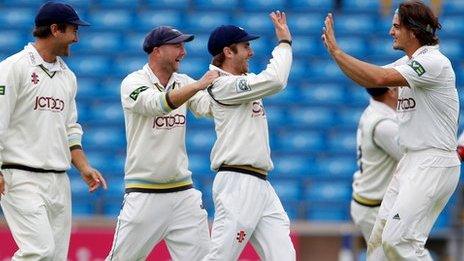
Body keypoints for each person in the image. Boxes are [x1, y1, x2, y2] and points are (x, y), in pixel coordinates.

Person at [322, 1, 460, 259]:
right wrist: (336, 54)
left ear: (414, 30)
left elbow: (378, 79)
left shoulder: (433, 63)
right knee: (379, 245)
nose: (390, 31)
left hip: (431, 161)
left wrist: (337, 52)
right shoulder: (410, 61)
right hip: (412, 160)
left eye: (396, 26)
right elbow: (371, 80)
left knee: (399, 243)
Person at [0, 1, 107, 260]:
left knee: (55, 257)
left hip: (59, 180)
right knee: (38, 252)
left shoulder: (67, 76)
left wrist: (84, 167)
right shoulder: (13, 67)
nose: (77, 38)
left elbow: (70, 128)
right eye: (73, 31)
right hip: (21, 176)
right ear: (56, 29)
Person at [106, 26, 219, 261]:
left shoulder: (183, 81)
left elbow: (209, 108)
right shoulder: (133, 82)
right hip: (144, 193)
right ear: (157, 51)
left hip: (183, 194)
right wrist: (198, 85)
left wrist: (235, 86)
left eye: (184, 46)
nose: (184, 52)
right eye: (177, 46)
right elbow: (155, 104)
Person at [203, 11, 295, 260]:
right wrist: (284, 43)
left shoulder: (242, 82)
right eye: (246, 46)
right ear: (228, 51)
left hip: (260, 183)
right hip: (237, 182)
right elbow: (276, 80)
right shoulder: (222, 85)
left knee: (284, 256)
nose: (251, 52)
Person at [351, 87, 401, 244]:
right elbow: (413, 158)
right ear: (391, 91)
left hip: (370, 202)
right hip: (375, 207)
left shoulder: (374, 110)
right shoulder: (383, 124)